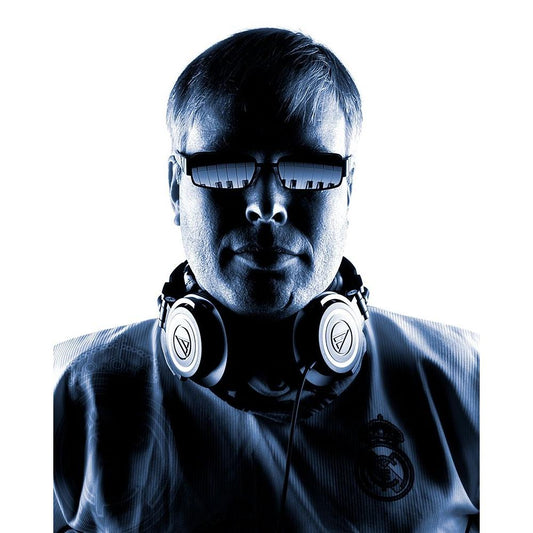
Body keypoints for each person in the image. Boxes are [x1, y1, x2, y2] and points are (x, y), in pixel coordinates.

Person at [54, 28, 479, 532]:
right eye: (225, 169)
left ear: (348, 191)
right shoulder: (67, 393)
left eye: (308, 171)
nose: (266, 205)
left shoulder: (471, 381)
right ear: (175, 190)